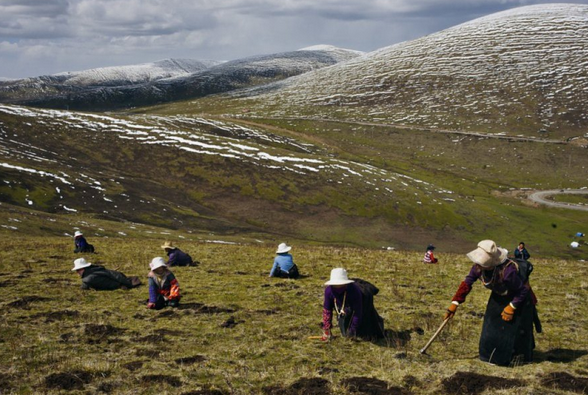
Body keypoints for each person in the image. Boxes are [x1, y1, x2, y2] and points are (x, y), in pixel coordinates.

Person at [444, 240, 538, 366]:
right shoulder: (478, 267)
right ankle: (491, 357)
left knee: (517, 330)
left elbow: (522, 291)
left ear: (491, 263)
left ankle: (516, 359)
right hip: (498, 296)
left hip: (519, 298)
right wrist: (455, 302)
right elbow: (468, 281)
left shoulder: (508, 272)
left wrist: (512, 306)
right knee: (491, 327)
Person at [320, 268, 385, 342]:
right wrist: (326, 329)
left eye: (340, 284)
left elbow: (358, 312)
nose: (338, 286)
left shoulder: (354, 291)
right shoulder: (329, 291)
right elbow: (327, 310)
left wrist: (352, 330)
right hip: (343, 308)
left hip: (363, 302)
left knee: (366, 333)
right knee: (345, 334)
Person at [72, 258, 141, 290]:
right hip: (118, 279)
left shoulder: (88, 278)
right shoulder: (94, 270)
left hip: (116, 283)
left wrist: (127, 284)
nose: (77, 272)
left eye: (78, 270)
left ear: (83, 269)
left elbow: (86, 284)